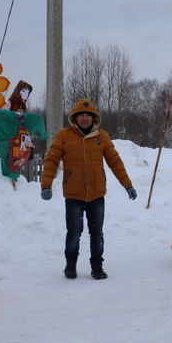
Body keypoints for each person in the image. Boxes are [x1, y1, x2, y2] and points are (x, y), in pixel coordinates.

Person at [40, 98, 137, 280]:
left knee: (97, 233)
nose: (84, 119)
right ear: (74, 118)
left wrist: (128, 185)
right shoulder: (64, 136)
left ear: (94, 118)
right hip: (73, 195)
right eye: (81, 116)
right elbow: (51, 160)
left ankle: (97, 268)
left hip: (96, 194)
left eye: (88, 116)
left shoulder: (102, 137)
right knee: (74, 233)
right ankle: (70, 266)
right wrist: (46, 185)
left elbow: (115, 162)